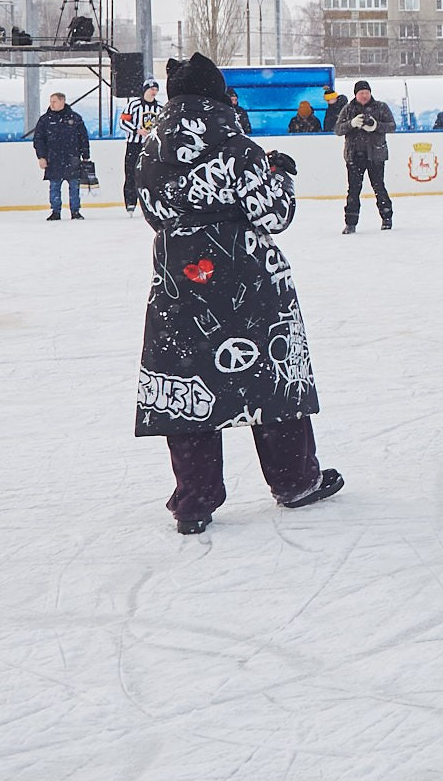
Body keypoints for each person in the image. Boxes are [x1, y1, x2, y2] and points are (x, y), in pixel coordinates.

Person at [134, 51, 343, 536]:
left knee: (189, 388)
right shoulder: (237, 148)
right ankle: (295, 481)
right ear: (216, 96)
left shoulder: (149, 150)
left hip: (179, 283)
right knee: (269, 379)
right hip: (247, 285)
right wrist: (279, 176)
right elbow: (275, 216)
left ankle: (193, 501)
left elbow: (152, 211)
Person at [330, 78, 395, 233]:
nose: (364, 96)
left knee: (379, 187)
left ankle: (387, 218)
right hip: (354, 156)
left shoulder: (381, 107)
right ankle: (350, 222)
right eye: (361, 93)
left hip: (376, 155)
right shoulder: (348, 109)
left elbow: (392, 126)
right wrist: (351, 124)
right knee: (353, 190)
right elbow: (338, 130)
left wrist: (376, 126)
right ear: (356, 94)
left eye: (366, 93)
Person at [32, 89, 91, 220]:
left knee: (74, 186)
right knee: (54, 186)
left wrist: (86, 155)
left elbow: (83, 138)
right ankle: (55, 211)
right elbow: (38, 140)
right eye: (51, 101)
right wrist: (41, 157)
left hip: (72, 158)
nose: (52, 104)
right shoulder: (45, 120)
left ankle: (75, 211)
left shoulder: (74, 118)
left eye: (55, 101)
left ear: (62, 101)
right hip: (53, 159)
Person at [119, 81, 161, 214]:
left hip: (152, 146)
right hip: (134, 145)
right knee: (131, 173)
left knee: (152, 175)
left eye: (155, 89)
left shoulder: (160, 107)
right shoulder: (133, 105)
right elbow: (123, 121)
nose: (153, 92)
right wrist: (137, 130)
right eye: (151, 89)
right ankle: (131, 202)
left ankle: (152, 203)